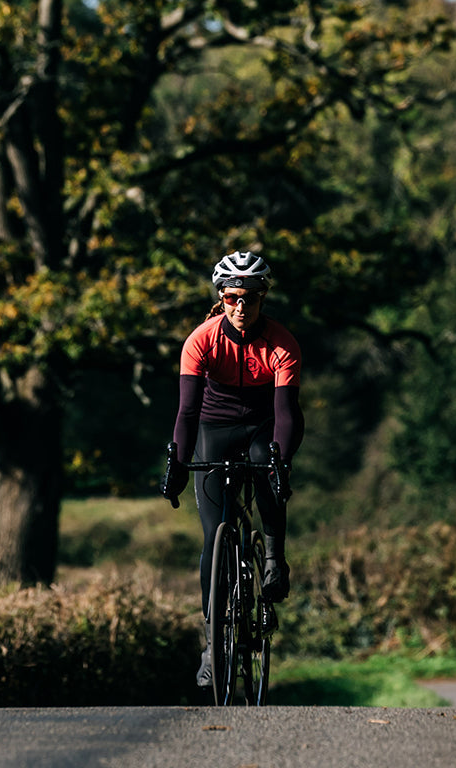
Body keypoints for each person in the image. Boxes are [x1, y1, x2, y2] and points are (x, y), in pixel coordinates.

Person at [161, 250, 304, 688]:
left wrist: (281, 459)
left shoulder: (281, 343)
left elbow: (287, 413)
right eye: (233, 297)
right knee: (212, 535)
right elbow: (186, 413)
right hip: (214, 425)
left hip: (263, 424)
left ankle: (274, 556)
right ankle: (212, 642)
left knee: (267, 466)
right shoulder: (200, 341)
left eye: (252, 298)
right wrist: (178, 463)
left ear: (263, 299)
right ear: (221, 298)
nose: (242, 307)